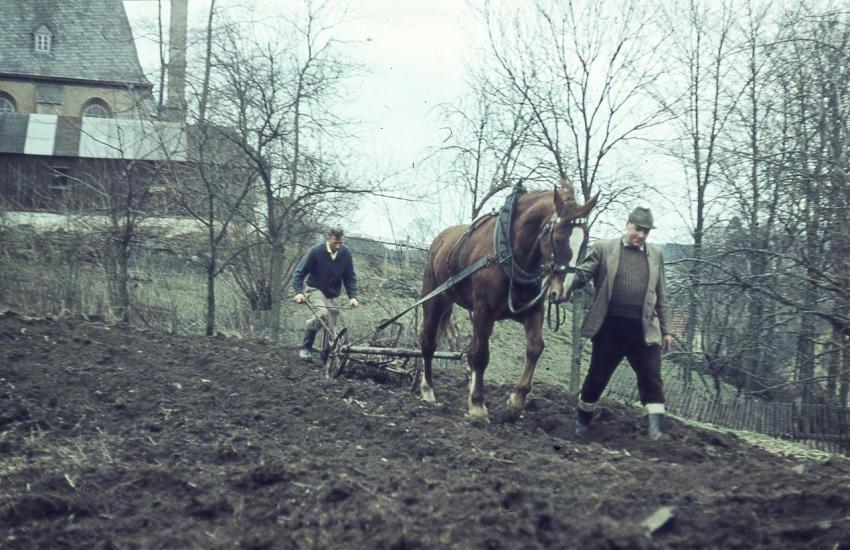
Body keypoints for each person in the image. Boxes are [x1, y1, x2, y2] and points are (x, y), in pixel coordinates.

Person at [569, 207, 673, 440]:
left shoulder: (656, 255)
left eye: (646, 232)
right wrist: (563, 282)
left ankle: (655, 430)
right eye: (638, 229)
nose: (641, 236)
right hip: (610, 328)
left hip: (643, 329)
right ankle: (582, 423)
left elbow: (662, 295)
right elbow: (582, 274)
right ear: (627, 225)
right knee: (597, 377)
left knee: (652, 379)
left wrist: (667, 330)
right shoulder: (604, 249)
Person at [292, 228, 359, 362]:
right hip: (315, 289)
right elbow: (299, 272)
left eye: (341, 241)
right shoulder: (316, 251)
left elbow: (350, 277)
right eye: (336, 242)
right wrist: (299, 292)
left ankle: (326, 356)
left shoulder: (345, 254)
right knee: (322, 314)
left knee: (331, 328)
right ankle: (306, 347)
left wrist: (353, 296)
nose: (338, 245)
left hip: (333, 294)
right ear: (329, 238)